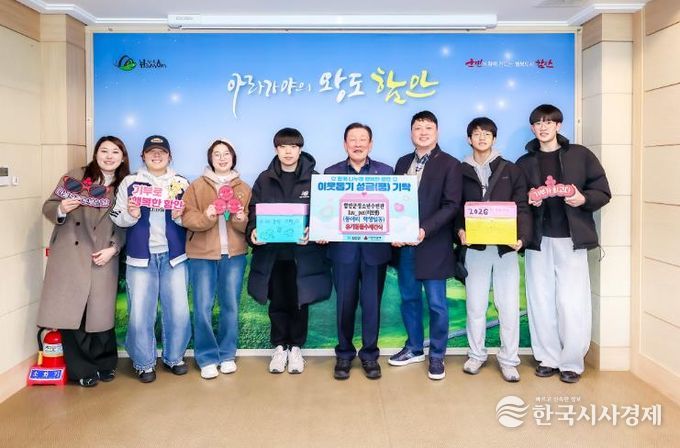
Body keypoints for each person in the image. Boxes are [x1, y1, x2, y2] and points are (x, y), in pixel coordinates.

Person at [516, 104, 611, 384]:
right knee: (540, 300)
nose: (543, 127)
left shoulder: (580, 155)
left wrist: (583, 199)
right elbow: (517, 201)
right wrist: (529, 201)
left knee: (572, 302)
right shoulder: (524, 162)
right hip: (538, 241)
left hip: (571, 240)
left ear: (558, 125)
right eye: (537, 123)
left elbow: (603, 191)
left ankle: (571, 362)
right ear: (532, 128)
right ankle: (547, 358)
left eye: (548, 122)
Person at [38, 136, 130, 387]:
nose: (109, 156)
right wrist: (62, 208)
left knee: (100, 313)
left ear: (122, 157)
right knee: (72, 314)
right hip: (71, 253)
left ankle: (104, 363)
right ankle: (82, 370)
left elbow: (126, 223)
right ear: (95, 153)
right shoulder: (75, 177)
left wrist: (114, 248)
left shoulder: (126, 185)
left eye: (115, 152)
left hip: (103, 254)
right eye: (104, 151)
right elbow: (49, 206)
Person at [246, 127, 332, 374]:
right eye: (283, 147)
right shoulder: (264, 179)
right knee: (277, 303)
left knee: (299, 303)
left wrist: (314, 231)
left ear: (300, 150)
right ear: (276, 150)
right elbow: (253, 211)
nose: (288, 152)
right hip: (272, 256)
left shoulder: (314, 179)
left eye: (293, 147)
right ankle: (279, 348)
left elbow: (325, 214)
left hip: (302, 256)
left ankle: (295, 349)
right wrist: (253, 231)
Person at [455, 117, 532, 382]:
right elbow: (455, 206)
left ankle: (509, 359)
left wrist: (522, 237)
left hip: (505, 249)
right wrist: (460, 231)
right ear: (469, 139)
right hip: (475, 248)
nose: (481, 138)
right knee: (476, 305)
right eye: (476, 133)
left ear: (494, 139)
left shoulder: (511, 169)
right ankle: (476, 355)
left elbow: (522, 206)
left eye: (487, 134)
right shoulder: (459, 170)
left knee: (508, 306)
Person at [110, 135, 191, 383]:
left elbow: (189, 220)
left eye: (162, 152)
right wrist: (131, 214)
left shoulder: (181, 183)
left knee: (178, 310)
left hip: (174, 256)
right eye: (151, 152)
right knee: (140, 313)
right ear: (143, 156)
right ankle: (144, 363)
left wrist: (179, 216)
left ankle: (174, 357)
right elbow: (117, 217)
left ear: (169, 156)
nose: (157, 156)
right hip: (140, 257)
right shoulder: (130, 182)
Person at [388, 111, 462, 380]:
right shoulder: (402, 162)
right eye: (418, 128)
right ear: (411, 133)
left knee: (437, 304)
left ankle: (438, 355)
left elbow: (451, 206)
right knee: (409, 298)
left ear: (437, 132)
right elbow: (393, 202)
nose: (422, 132)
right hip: (405, 246)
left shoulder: (450, 164)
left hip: (434, 244)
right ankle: (414, 347)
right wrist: (393, 231)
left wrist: (424, 229)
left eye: (428, 128)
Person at [323, 123, 393, 380]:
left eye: (363, 139)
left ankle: (370, 355)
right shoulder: (331, 173)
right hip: (343, 251)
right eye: (353, 139)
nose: (358, 144)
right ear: (345, 144)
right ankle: (344, 354)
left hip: (375, 251)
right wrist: (322, 229)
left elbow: (394, 209)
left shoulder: (386, 172)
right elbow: (325, 211)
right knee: (345, 304)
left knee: (372, 305)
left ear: (370, 144)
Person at [183, 139, 251, 380]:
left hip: (234, 255)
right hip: (202, 255)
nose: (222, 158)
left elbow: (248, 225)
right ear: (210, 159)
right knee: (202, 307)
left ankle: (227, 354)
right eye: (217, 154)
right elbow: (186, 218)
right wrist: (207, 215)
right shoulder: (196, 186)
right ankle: (207, 357)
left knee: (230, 305)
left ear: (233, 158)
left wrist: (241, 218)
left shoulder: (244, 188)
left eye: (226, 154)